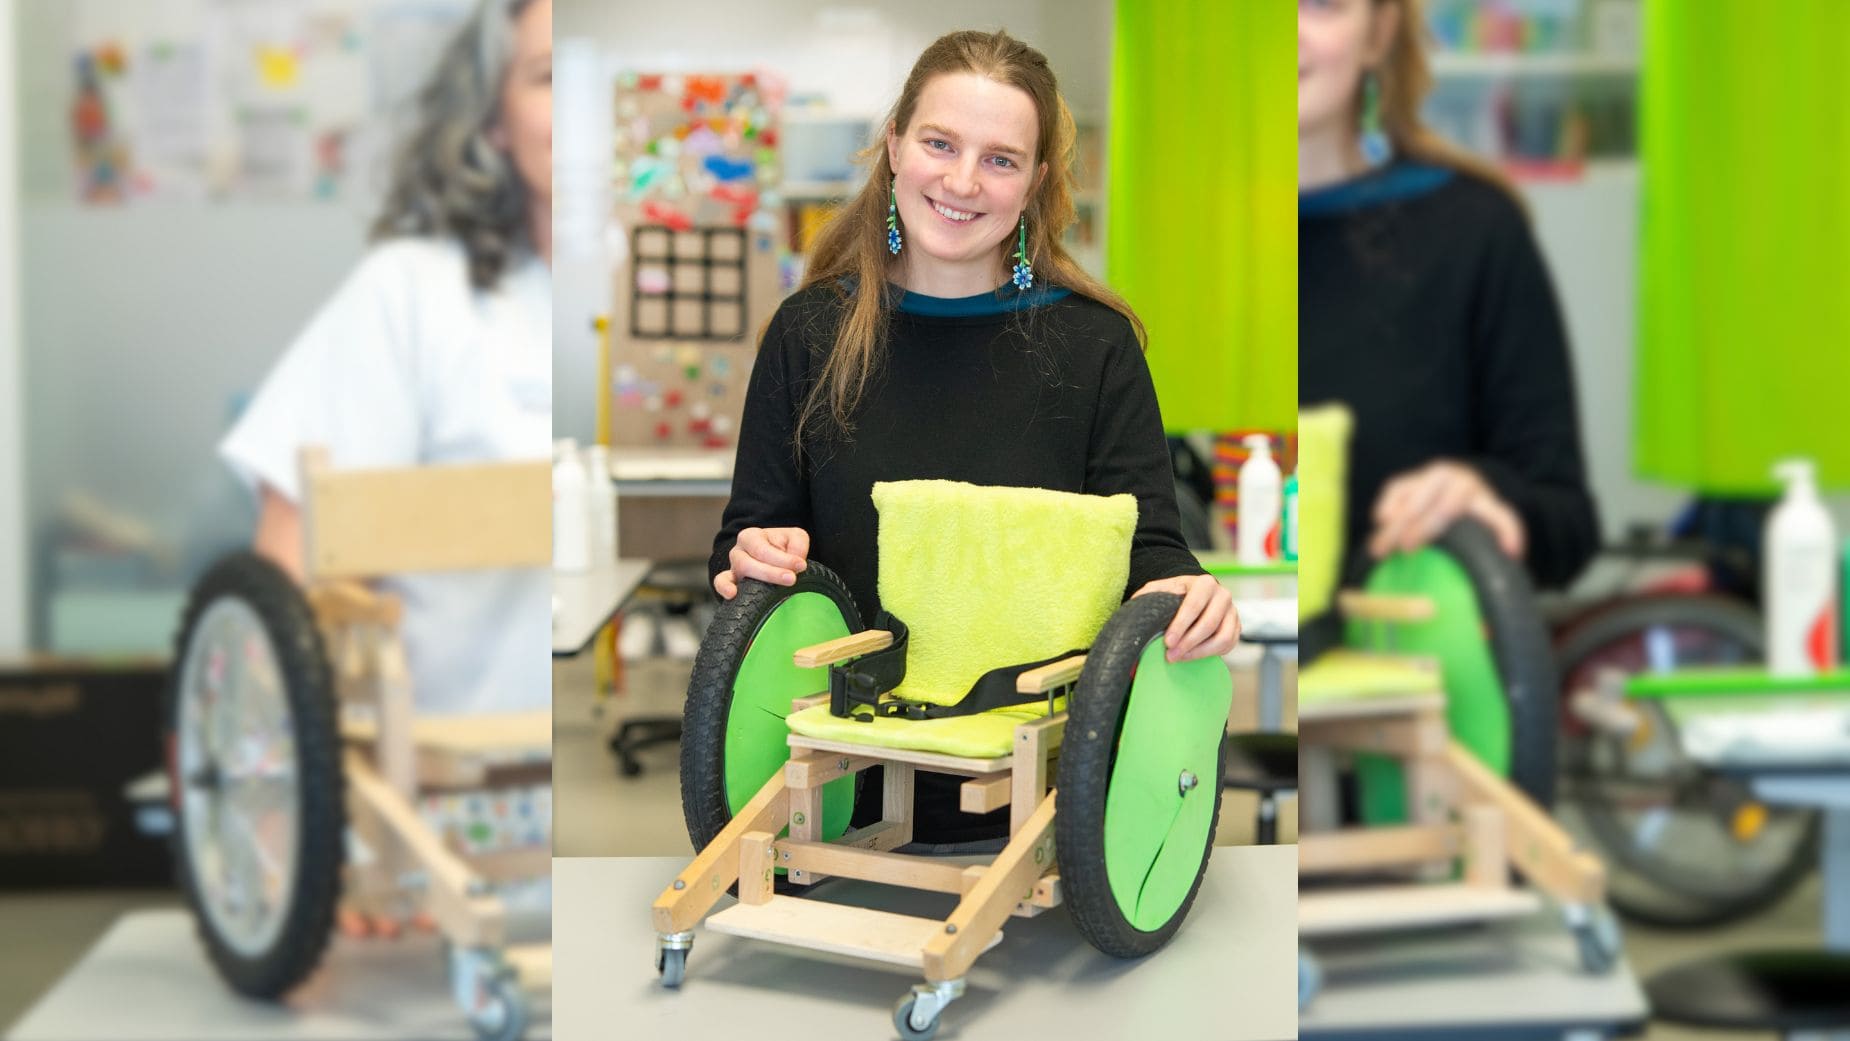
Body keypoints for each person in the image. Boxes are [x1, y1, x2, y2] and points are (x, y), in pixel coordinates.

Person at [710, 29, 1238, 847]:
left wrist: (1189, 599)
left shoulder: (1096, 347)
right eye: (939, 143)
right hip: (832, 797)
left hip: (1042, 802)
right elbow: (745, 540)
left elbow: (1153, 553)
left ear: (1035, 183)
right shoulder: (807, 332)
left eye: (1000, 159)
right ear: (894, 148)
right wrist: (755, 555)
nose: (962, 180)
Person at [218, 0, 552, 932]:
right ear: (493, 120)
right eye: (546, 76)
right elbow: (290, 577)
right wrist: (296, 847)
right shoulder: (413, 294)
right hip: (423, 841)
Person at [1297, 0, 1597, 591]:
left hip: (1413, 669)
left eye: (1322, 5)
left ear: (1379, 33)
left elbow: (1568, 527)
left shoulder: (1476, 230)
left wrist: (1485, 493)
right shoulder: (1185, 246)